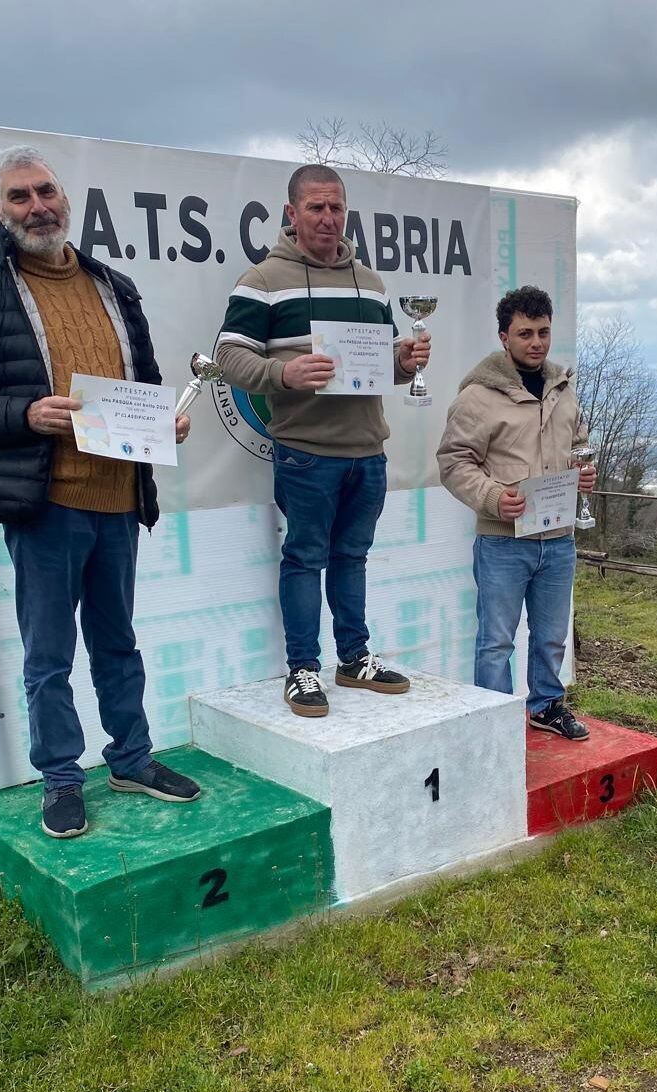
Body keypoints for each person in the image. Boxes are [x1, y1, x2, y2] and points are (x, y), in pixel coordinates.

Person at [0, 146, 199, 839]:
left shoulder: (115, 285)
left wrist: (165, 424)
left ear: (65, 198)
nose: (36, 205)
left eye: (45, 190)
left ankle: (132, 758)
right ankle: (61, 778)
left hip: (118, 500)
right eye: (19, 196)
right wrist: (23, 415)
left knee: (119, 644)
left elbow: (137, 383)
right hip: (45, 504)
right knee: (48, 655)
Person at [214, 164, 431, 718]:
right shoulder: (262, 281)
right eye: (316, 207)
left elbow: (378, 366)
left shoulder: (373, 284)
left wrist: (403, 363)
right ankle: (303, 669)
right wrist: (283, 375)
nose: (328, 218)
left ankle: (354, 658)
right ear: (291, 213)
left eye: (336, 207)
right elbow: (228, 356)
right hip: (306, 453)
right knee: (306, 559)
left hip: (367, 450)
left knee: (352, 556)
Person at [437, 285, 596, 739]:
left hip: (559, 539)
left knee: (550, 637)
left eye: (544, 332)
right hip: (502, 541)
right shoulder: (478, 397)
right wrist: (493, 498)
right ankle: (494, 724)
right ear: (504, 336)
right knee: (496, 642)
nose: (537, 342)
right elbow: (453, 462)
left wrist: (584, 474)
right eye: (525, 333)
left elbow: (579, 447)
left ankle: (546, 706)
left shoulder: (563, 389)